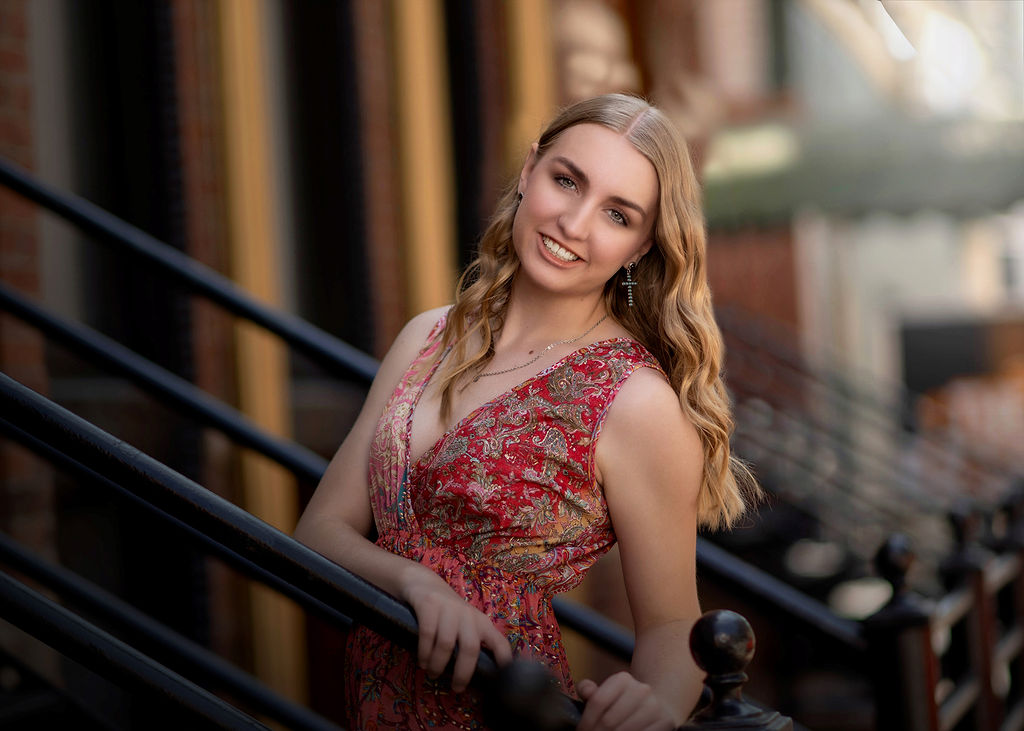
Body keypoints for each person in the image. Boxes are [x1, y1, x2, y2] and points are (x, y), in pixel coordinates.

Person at [294, 93, 756, 730]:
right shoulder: (428, 337)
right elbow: (321, 529)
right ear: (529, 170)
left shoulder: (634, 399)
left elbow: (674, 623)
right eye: (566, 181)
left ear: (643, 245)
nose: (574, 222)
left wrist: (658, 703)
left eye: (617, 214)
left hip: (499, 710)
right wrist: (413, 582)